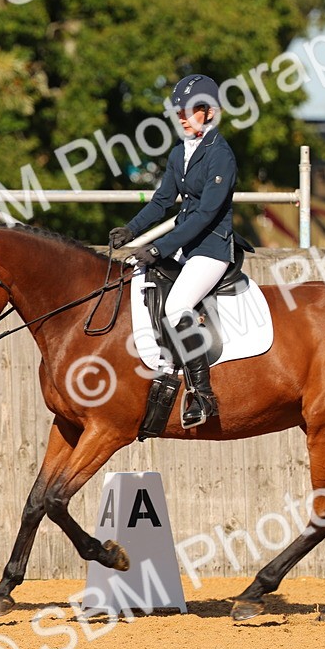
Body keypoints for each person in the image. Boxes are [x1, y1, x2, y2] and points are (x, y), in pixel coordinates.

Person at [108, 74, 252, 429]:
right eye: (179, 112)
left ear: (209, 112)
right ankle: (165, 369)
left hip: (212, 249)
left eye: (189, 112)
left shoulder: (221, 156)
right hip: (185, 248)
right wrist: (132, 230)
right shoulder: (178, 153)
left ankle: (202, 394)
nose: (183, 118)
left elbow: (205, 214)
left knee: (176, 305)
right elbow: (162, 201)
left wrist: (158, 248)